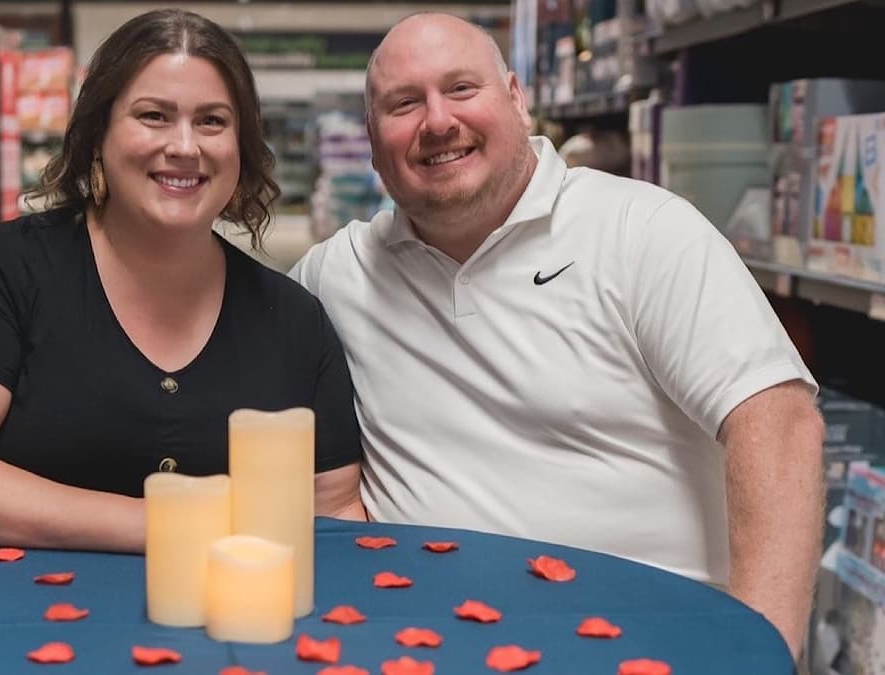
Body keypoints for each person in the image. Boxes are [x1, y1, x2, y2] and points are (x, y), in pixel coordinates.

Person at [290, 12, 823, 659]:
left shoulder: (640, 232)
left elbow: (779, 423)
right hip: (427, 644)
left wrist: (758, 651)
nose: (436, 121)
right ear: (373, 141)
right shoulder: (336, 274)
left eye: (461, 89)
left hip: (653, 643)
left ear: (517, 99)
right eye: (404, 104)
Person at [0, 9, 365, 572]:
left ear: (242, 148)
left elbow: (330, 516)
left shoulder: (292, 320)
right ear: (97, 135)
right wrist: (168, 526)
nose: (185, 145)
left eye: (212, 121)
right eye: (154, 116)